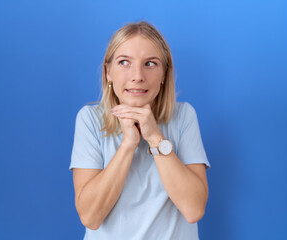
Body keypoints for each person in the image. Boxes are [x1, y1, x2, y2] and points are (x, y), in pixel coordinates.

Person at [69, 21, 211, 240]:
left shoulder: (183, 116)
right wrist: (128, 144)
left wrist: (155, 137)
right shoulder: (89, 119)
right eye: (124, 62)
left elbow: (194, 210)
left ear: (164, 74)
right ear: (108, 72)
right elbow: (90, 217)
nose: (137, 76)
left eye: (150, 64)